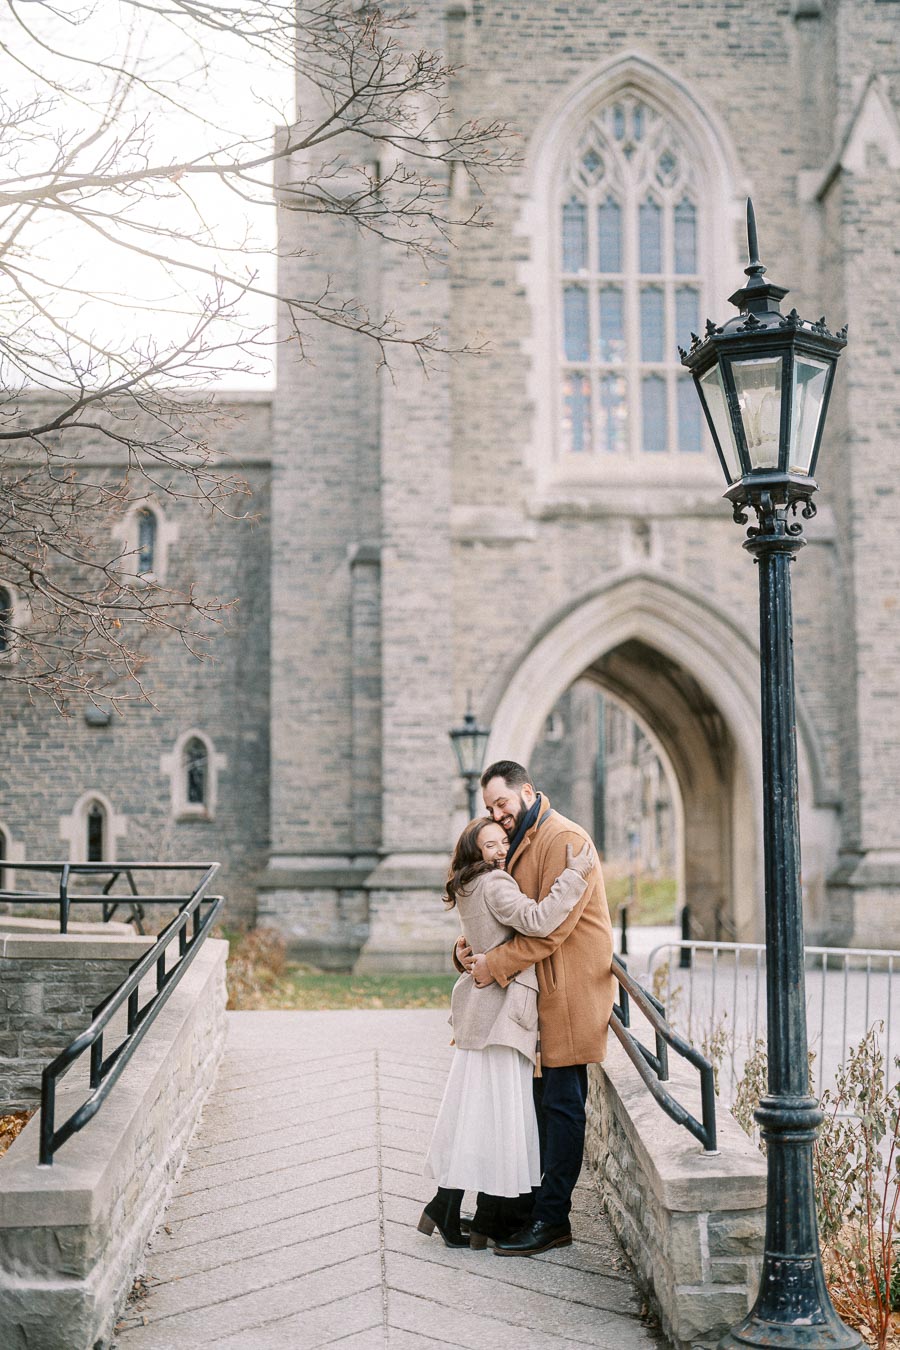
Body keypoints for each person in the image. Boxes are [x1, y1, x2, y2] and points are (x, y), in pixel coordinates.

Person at [456, 759, 614, 1256]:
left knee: (562, 1106)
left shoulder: (565, 839)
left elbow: (550, 929)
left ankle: (553, 1220)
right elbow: (504, 915)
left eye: (502, 803)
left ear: (527, 790)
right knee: (533, 1108)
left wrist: (491, 965)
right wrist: (465, 952)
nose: (497, 814)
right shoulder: (522, 837)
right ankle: (523, 1210)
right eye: (489, 808)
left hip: (567, 990)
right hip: (535, 993)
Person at [419, 815, 595, 1249]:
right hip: (500, 1014)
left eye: (502, 843)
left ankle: (453, 1208)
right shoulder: (496, 883)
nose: (500, 850)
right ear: (475, 851)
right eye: (491, 845)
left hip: (479, 1013)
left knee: (474, 1112)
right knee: (500, 1118)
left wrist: (467, 954)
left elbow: (481, 936)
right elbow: (537, 921)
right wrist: (573, 877)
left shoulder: (467, 883)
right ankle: (481, 1215)